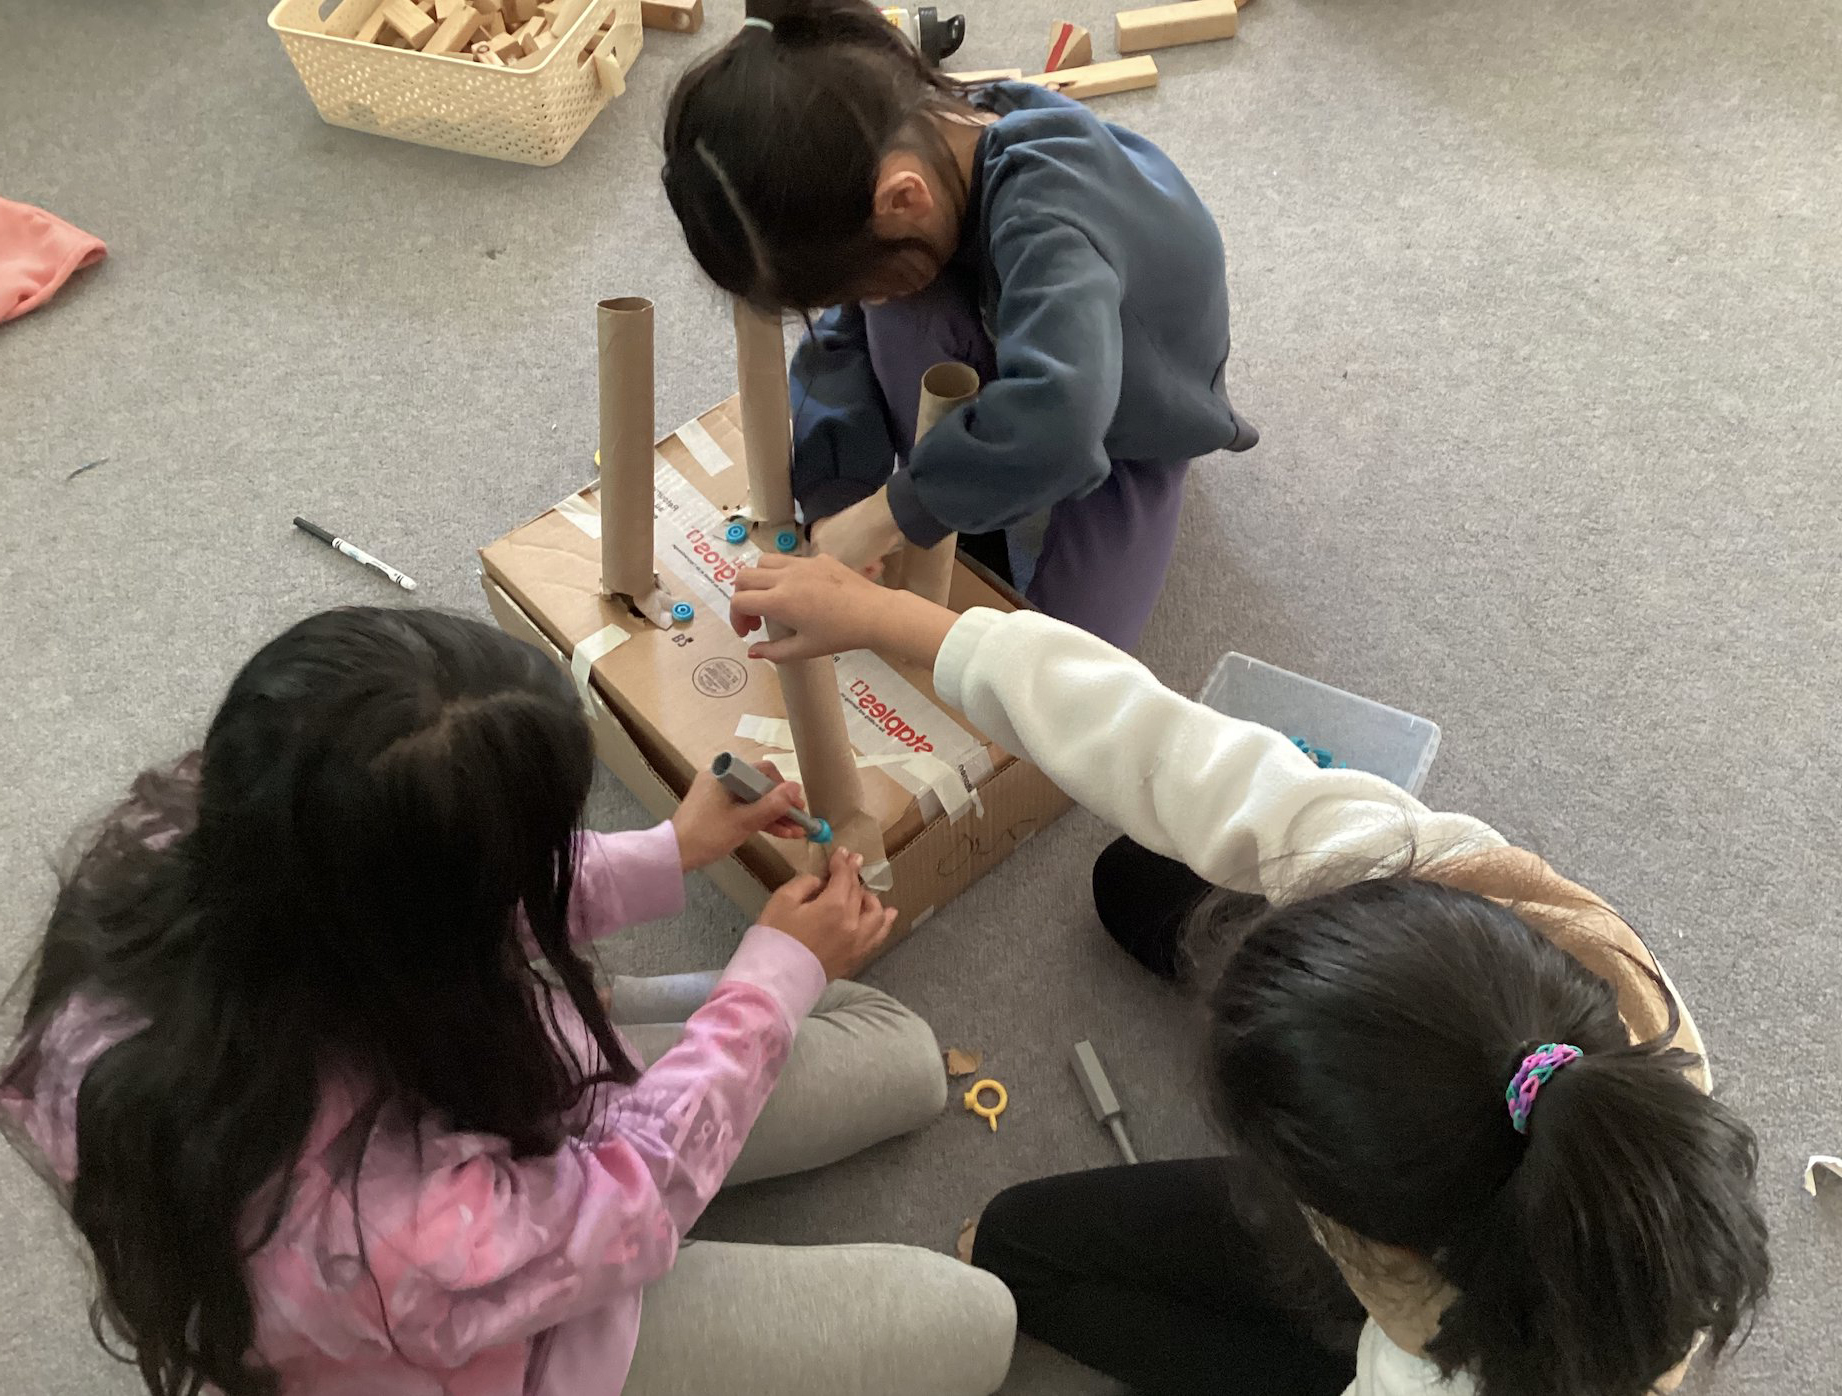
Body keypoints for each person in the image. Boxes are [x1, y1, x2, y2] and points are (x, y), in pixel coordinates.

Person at [727, 555, 1772, 1396]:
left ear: (1366, 1241)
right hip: (1454, 1208)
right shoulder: (1460, 876)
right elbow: (1175, 750)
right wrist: (894, 619)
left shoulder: (1432, 1362)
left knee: (1015, 1247)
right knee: (1139, 877)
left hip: (1428, 1318)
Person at [0, 607, 1015, 1396]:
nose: (545, 874)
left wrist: (673, 852)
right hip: (510, 1337)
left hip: (472, 1110)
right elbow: (629, 1202)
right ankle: (690, 1010)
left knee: (902, 1053)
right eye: (530, 860)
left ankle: (682, 1011)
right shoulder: (395, 1233)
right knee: (982, 1321)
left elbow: (424, 889)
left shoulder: (199, 845)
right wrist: (771, 978)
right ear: (440, 936)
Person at [660, 0, 1258, 651]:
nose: (864, 300)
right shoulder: (898, 135)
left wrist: (892, 513)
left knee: (1064, 665)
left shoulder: (1049, 215)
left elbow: (1065, 422)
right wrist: (836, 500)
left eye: (861, 283)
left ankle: (978, 476)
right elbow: (842, 337)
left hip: (1134, 403)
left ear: (903, 198)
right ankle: (971, 475)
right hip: (1028, 326)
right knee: (893, 317)